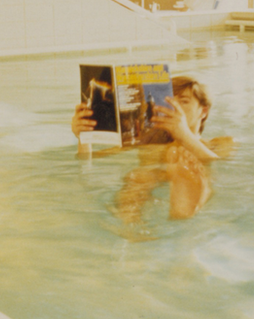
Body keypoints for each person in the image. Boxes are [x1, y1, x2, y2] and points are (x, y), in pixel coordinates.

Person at [70, 76, 233, 226]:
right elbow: (87, 162)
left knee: (199, 170)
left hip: (193, 172)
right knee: (138, 177)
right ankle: (133, 225)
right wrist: (84, 136)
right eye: (169, 101)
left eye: (183, 102)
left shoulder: (218, 143)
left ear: (203, 111)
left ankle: (186, 193)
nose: (174, 108)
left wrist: (183, 135)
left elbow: (218, 164)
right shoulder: (146, 141)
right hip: (155, 178)